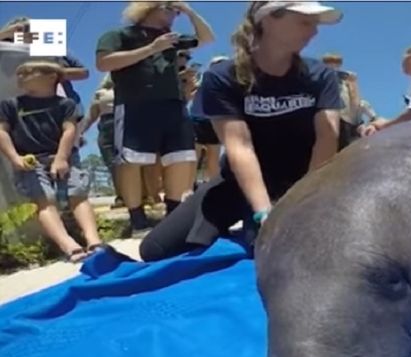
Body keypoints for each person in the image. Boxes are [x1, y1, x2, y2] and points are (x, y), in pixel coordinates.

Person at [139, 0, 344, 262]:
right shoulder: (222, 77)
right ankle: (246, 218)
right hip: (243, 177)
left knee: (281, 249)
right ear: (269, 20)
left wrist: (305, 203)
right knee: (155, 250)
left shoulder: (321, 75)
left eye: (315, 24)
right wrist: (263, 212)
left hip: (304, 176)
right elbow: (240, 147)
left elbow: (327, 138)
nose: (314, 32)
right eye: (305, 22)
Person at [95, 0, 214, 237]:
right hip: (134, 104)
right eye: (171, 9)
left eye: (178, 11)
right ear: (150, 8)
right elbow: (103, 63)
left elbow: (207, 38)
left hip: (172, 105)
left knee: (181, 159)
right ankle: (138, 220)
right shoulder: (119, 34)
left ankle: (174, 216)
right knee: (131, 161)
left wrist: (189, 11)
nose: (175, 15)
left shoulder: (172, 37)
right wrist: (151, 48)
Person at [0, 61, 103, 262]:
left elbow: (69, 130)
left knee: (78, 194)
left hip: (63, 155)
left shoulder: (65, 104)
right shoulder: (10, 105)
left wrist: (62, 158)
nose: (21, 76)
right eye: (19, 73)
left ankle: (94, 240)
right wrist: (14, 158)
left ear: (51, 76)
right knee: (44, 200)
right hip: (30, 160)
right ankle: (69, 246)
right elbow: (2, 132)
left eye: (28, 72)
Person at [79, 74, 124, 208]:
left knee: (128, 161)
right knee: (112, 162)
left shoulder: (134, 88)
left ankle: (140, 195)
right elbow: (91, 115)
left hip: (126, 123)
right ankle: (121, 196)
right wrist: (80, 132)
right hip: (106, 127)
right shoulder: (100, 94)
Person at [321, 52, 380, 149]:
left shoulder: (347, 81)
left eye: (336, 64)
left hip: (351, 123)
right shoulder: (322, 83)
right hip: (333, 123)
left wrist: (372, 121)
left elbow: (359, 103)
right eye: (329, 65)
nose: (333, 67)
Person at [188, 55, 230, 183]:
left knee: (213, 158)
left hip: (214, 121)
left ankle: (212, 187)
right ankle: (189, 187)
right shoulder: (205, 79)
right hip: (198, 120)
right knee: (194, 156)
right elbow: (190, 95)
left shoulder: (226, 82)